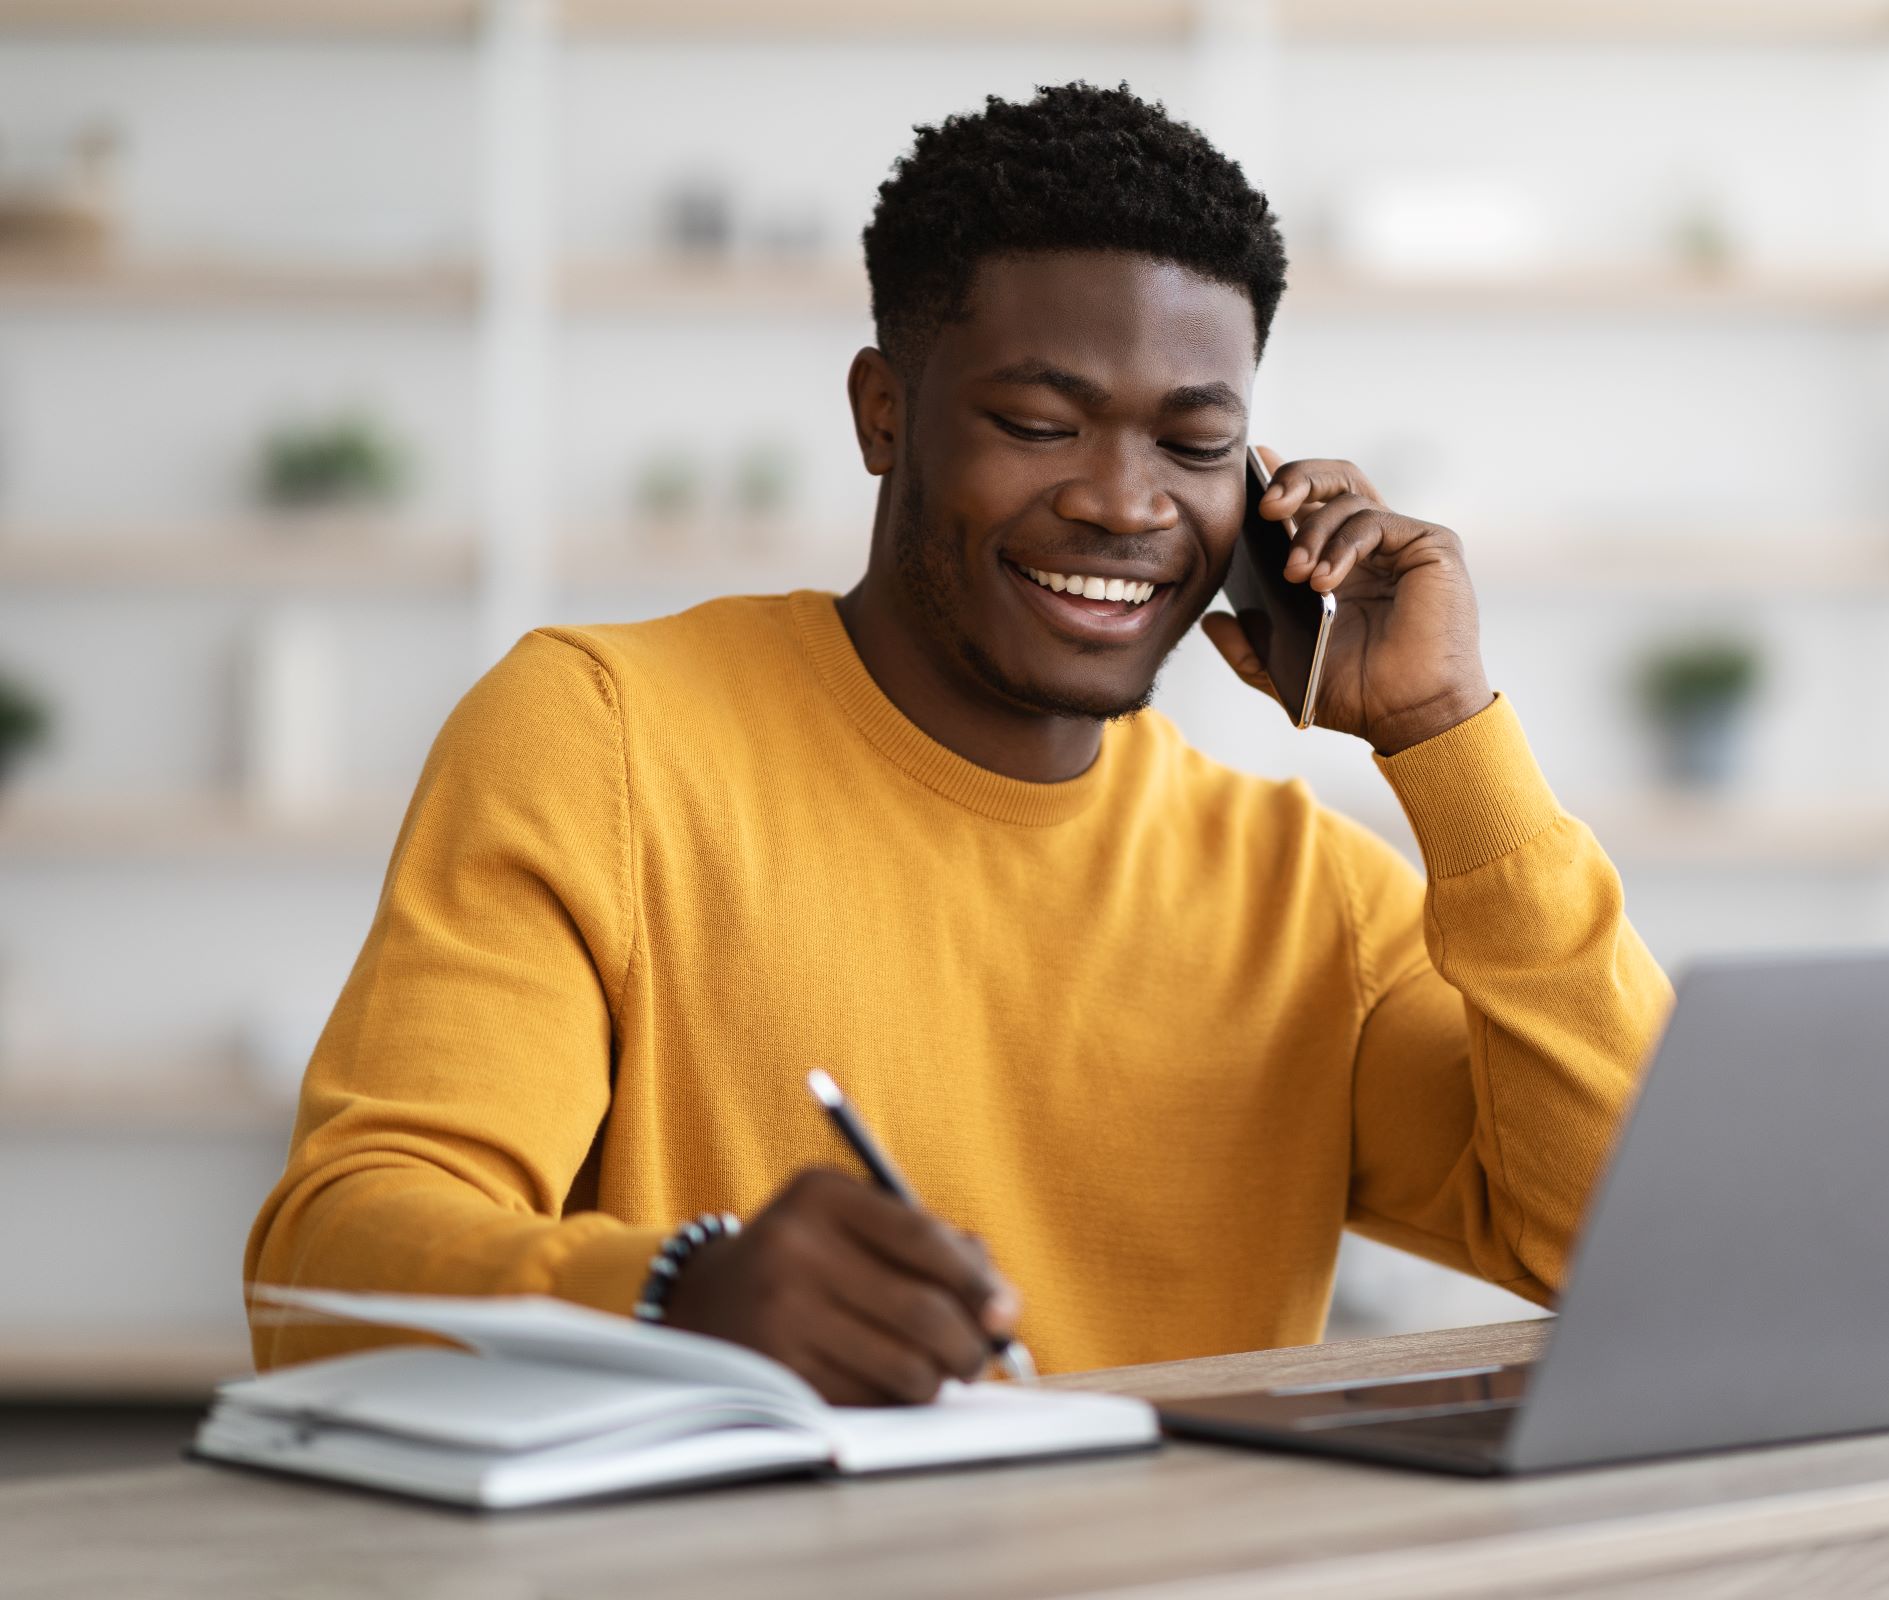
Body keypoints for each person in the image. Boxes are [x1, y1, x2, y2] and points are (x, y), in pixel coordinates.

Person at [245, 82, 1673, 1404]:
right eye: (1040, 423)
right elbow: (328, 1268)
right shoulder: (602, 739)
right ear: (884, 414)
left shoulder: (1309, 898)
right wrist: (677, 1293)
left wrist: (1448, 740)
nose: (1126, 504)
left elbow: (1638, 1249)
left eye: (1192, 446)